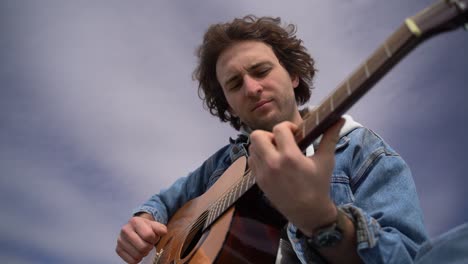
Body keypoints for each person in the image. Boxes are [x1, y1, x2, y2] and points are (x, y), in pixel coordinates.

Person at [115, 16, 428, 263]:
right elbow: (166, 200)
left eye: (261, 71)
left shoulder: (363, 152)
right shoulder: (226, 163)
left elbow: (409, 257)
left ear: (293, 76)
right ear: (228, 104)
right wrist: (142, 220)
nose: (252, 88)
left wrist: (322, 221)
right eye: (235, 84)